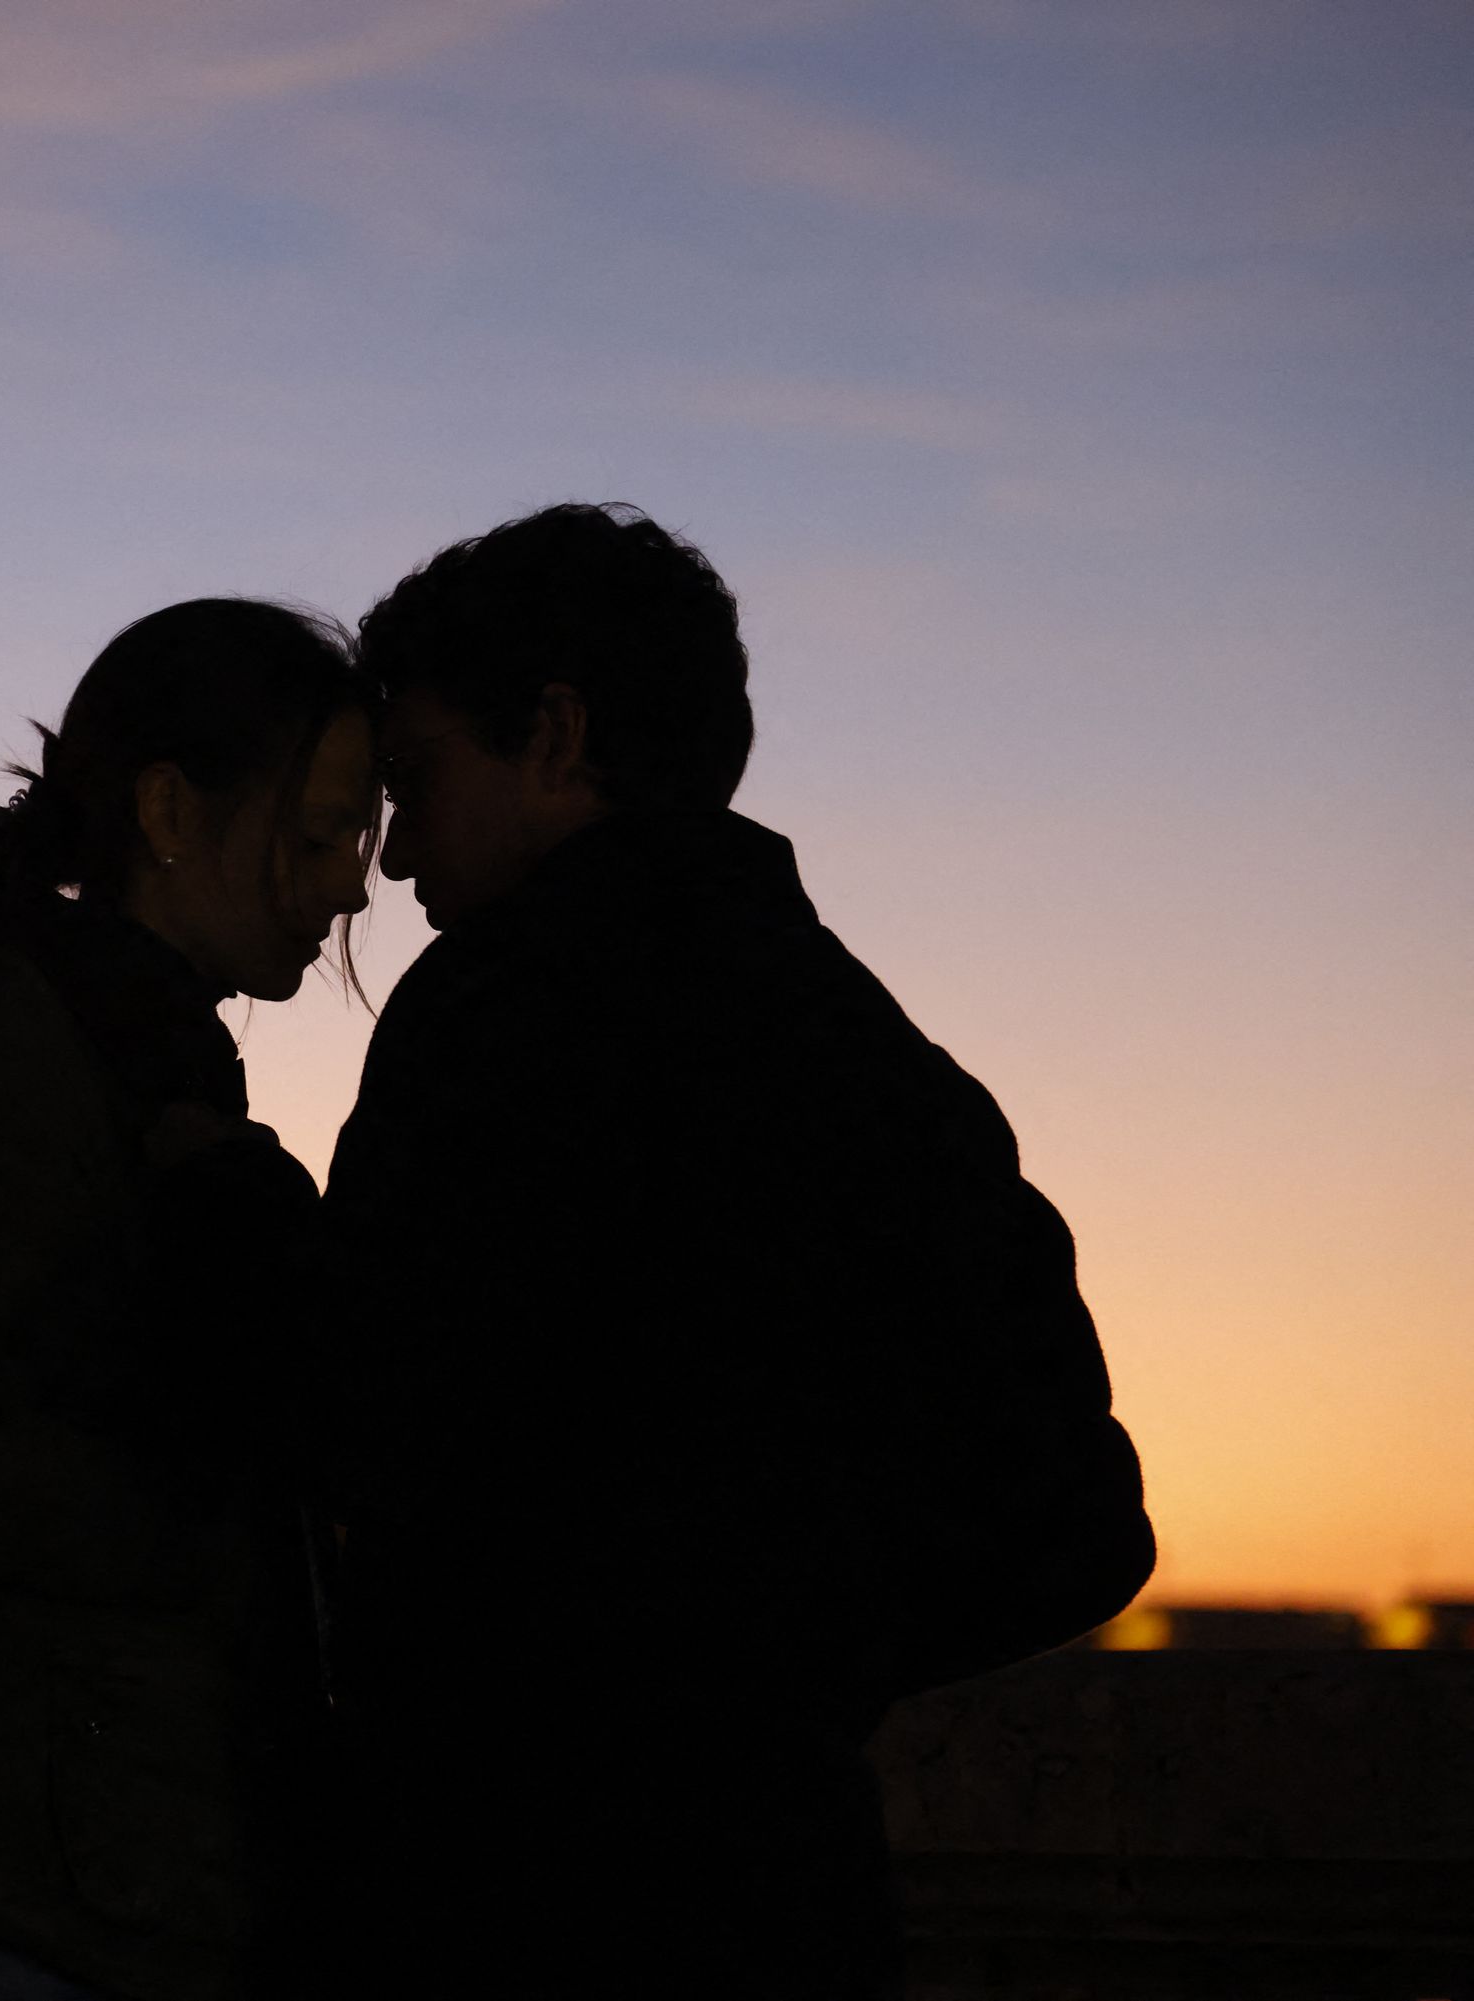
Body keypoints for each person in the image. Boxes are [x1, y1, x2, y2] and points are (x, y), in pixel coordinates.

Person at [325, 504, 1156, 1995]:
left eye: (416, 780)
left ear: (559, 736)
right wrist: (775, 1677)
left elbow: (360, 1446)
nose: (389, 862)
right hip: (780, 1897)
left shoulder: (490, 1019)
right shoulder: (880, 1063)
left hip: (493, 1895)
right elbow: (1078, 1517)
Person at [0, 599, 379, 2001]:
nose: (352, 886)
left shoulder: (127, 1044)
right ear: (171, 807)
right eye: (319, 834)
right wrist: (178, 1528)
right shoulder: (18, 1033)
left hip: (80, 1876)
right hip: (25, 1900)